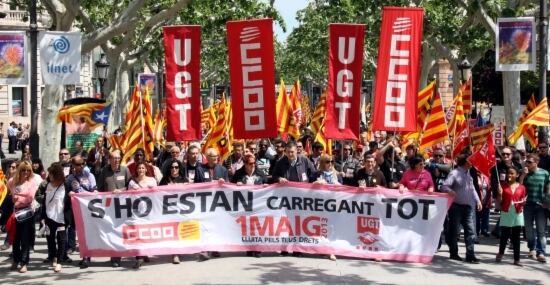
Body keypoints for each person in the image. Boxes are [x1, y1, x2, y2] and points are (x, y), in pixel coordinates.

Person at [440, 154, 482, 264]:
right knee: (454, 231)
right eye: (470, 160)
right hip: (456, 207)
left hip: (468, 207)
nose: (472, 162)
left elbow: (472, 189)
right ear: (465, 162)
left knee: (471, 231)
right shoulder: (454, 173)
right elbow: (444, 186)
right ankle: (454, 253)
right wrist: (450, 191)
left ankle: (470, 255)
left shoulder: (469, 174)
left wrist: (478, 201)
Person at [97, 149, 131, 267]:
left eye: (118, 158)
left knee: (121, 230)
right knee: (112, 231)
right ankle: (115, 256)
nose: (116, 160)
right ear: (109, 159)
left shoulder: (125, 170)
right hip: (109, 207)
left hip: (122, 206)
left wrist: (120, 191)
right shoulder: (103, 171)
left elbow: (130, 187)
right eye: (114, 158)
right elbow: (100, 188)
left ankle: (127, 253)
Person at [40, 162, 73, 272]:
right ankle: (53, 256)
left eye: (51, 173)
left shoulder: (66, 185)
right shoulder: (47, 185)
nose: (49, 175)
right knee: (50, 239)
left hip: (61, 218)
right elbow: (44, 202)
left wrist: (71, 195)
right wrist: (43, 217)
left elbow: (70, 200)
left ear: (57, 174)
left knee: (61, 239)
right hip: (49, 217)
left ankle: (59, 261)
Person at [9, 161, 39, 273]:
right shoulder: (13, 182)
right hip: (15, 212)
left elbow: (30, 198)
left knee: (25, 238)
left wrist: (18, 199)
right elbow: (10, 190)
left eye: (28, 170)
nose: (25, 172)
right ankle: (16, 260)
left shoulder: (32, 183)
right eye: (23, 170)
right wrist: (14, 198)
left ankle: (24, 262)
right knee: (15, 238)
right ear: (19, 170)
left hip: (27, 212)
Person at [127, 162, 157, 269]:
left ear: (146, 169)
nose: (141, 170)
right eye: (139, 168)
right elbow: (128, 196)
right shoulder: (132, 182)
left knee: (147, 232)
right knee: (137, 232)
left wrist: (151, 189)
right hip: (136, 211)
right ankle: (139, 256)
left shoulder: (152, 180)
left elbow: (157, 194)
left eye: (143, 168)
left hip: (149, 211)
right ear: (136, 170)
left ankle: (145, 253)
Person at [496, 166, 526, 266]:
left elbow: (523, 200)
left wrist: (522, 203)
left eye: (512, 173)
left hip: (517, 213)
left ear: (517, 175)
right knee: (504, 235)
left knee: (516, 237)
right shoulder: (502, 186)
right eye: (508, 173)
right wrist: (500, 195)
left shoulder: (522, 187)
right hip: (506, 212)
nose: (509, 175)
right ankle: (501, 253)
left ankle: (516, 259)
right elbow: (500, 202)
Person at [159, 159, 187, 264]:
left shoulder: (184, 179)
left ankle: (179, 252)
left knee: (180, 231)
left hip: (182, 211)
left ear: (179, 168)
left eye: (176, 167)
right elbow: (157, 193)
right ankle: (175, 254)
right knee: (173, 232)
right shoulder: (164, 180)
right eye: (172, 167)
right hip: (169, 211)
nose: (174, 169)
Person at [522, 153, 549, 263]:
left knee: (541, 230)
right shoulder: (524, 173)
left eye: (529, 162)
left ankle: (541, 252)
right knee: (528, 230)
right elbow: (519, 187)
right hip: (527, 205)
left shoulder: (545, 173)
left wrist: (547, 202)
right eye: (526, 161)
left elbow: (548, 188)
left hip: (540, 206)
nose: (527, 164)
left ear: (536, 162)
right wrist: (523, 176)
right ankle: (531, 248)